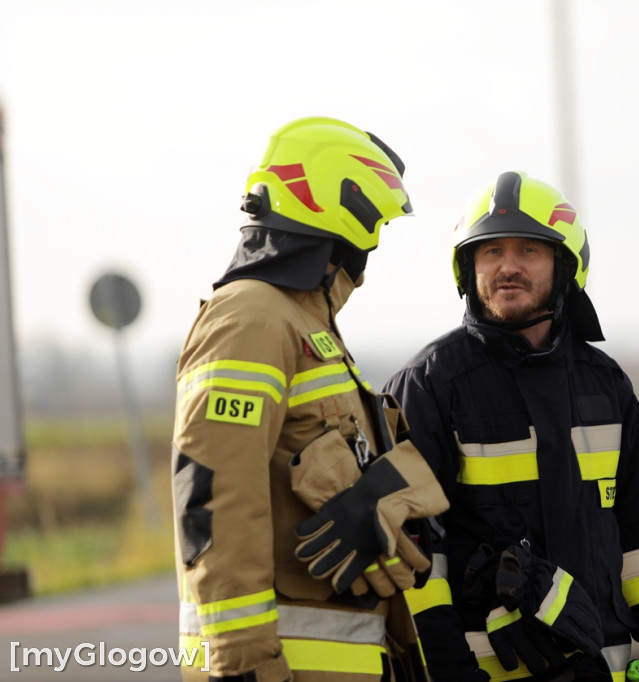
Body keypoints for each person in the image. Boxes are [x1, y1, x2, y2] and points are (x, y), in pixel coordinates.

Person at [384, 170, 639, 681]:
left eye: (528, 250)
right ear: (468, 267)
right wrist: (446, 670)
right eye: (491, 251)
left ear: (564, 265)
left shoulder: (605, 384)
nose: (507, 266)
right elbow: (414, 552)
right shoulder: (430, 385)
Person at [171, 116, 449, 682]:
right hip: (279, 665)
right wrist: (242, 663)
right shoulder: (252, 317)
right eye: (373, 225)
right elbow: (217, 493)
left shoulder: (302, 322)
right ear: (340, 216)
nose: (372, 247)